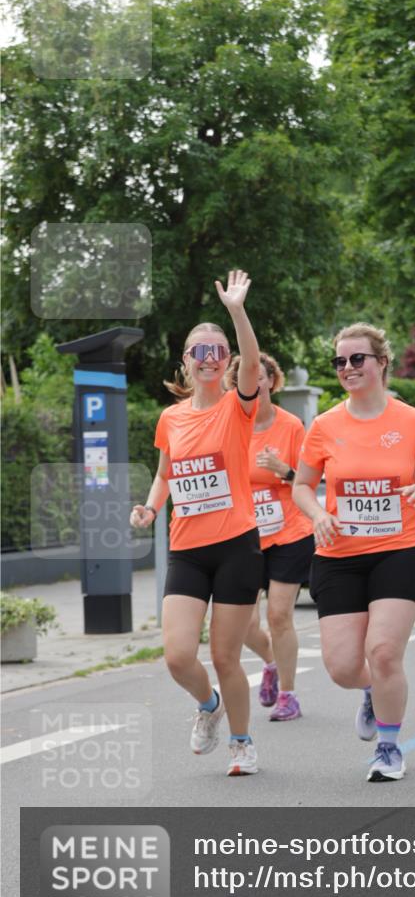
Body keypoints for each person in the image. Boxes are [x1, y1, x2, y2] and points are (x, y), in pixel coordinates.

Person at [293, 323, 415, 781]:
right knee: (342, 667)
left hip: (400, 549)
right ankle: (369, 691)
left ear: (381, 362)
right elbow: (301, 485)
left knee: (382, 652)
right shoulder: (324, 425)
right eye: (339, 361)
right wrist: (317, 513)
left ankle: (388, 747)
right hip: (339, 554)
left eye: (357, 359)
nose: (347, 368)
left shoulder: (411, 420)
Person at [129, 270, 263, 776]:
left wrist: (235, 311)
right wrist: (150, 506)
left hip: (236, 547)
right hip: (187, 550)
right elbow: (167, 474)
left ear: (226, 362)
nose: (209, 360)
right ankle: (209, 706)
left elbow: (254, 360)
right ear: (185, 363)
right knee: (179, 656)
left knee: (227, 656)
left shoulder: (237, 407)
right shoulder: (171, 419)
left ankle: (242, 743)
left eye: (217, 352)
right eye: (198, 352)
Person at [225, 352, 314, 721]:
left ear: (271, 381)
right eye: (247, 378)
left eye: (260, 377)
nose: (255, 384)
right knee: (244, 625)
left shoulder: (291, 426)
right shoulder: (229, 426)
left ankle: (289, 696)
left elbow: (310, 481)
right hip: (244, 536)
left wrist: (285, 471)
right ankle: (271, 662)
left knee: (279, 615)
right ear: (236, 386)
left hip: (289, 531)